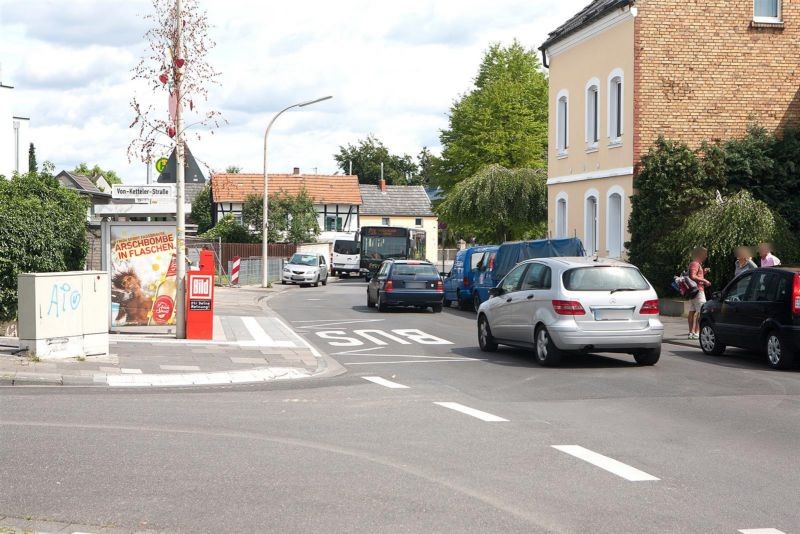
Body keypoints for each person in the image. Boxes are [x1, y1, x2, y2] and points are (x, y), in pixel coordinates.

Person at [687, 247, 711, 340]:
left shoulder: (696, 264)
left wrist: (703, 272)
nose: (706, 256)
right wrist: (705, 280)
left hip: (694, 291)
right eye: (705, 254)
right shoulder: (695, 263)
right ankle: (696, 332)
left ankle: (691, 333)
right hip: (698, 291)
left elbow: (695, 275)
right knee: (701, 311)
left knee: (692, 311)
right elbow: (692, 276)